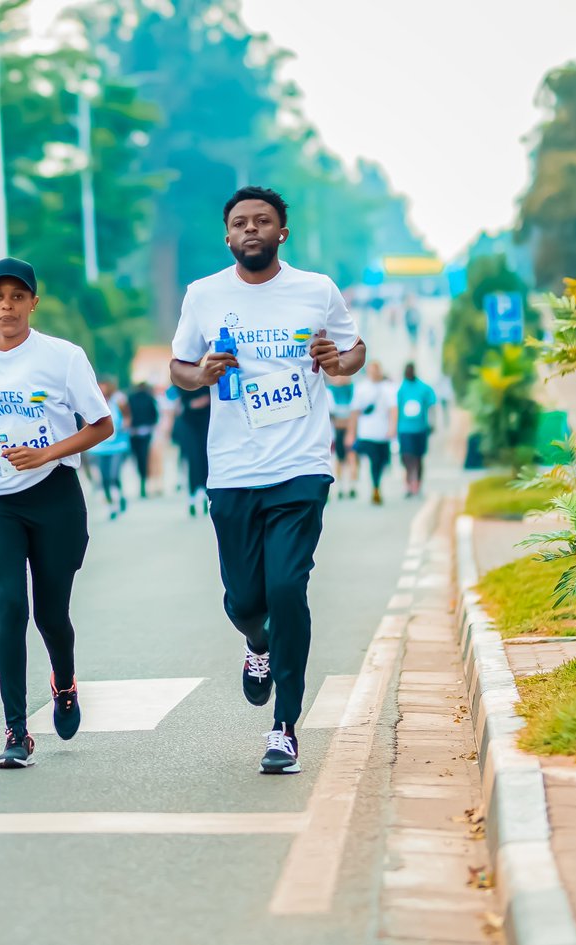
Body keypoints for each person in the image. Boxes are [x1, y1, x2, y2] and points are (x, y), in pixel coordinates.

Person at [169, 185, 365, 774]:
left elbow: (354, 352)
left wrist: (338, 361)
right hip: (231, 469)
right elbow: (179, 369)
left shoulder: (316, 290)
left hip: (301, 464)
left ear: (282, 232)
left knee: (287, 587)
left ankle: (284, 727)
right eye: (240, 223)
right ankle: (256, 644)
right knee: (246, 600)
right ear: (227, 236)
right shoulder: (204, 295)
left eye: (262, 221)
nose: (251, 229)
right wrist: (200, 373)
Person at [0, 258, 113, 768]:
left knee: (51, 613)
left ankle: (63, 681)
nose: (7, 306)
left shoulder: (63, 357)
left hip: (54, 493)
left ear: (33, 302)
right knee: (10, 605)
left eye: (18, 296)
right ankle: (16, 730)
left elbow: (101, 426)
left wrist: (49, 453)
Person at [346, 361, 396, 506]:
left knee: (381, 463)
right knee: (373, 461)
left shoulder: (388, 388)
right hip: (367, 433)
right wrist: (351, 433)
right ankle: (374, 487)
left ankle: (376, 485)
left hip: (382, 433)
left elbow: (393, 409)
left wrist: (392, 428)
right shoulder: (361, 388)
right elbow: (354, 412)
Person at [89, 378, 130, 520]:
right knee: (104, 478)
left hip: (117, 446)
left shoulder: (118, 402)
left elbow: (127, 418)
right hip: (99, 448)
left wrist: (123, 425)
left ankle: (118, 499)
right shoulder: (91, 405)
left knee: (113, 475)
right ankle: (111, 504)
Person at [396, 362, 436, 498]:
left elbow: (431, 406)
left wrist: (432, 423)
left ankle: (417, 484)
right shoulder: (400, 389)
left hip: (420, 429)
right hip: (404, 429)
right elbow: (395, 409)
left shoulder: (423, 388)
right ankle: (408, 484)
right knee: (407, 457)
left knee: (418, 458)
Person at [172, 384, 211, 515]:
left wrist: (206, 399)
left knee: (206, 458)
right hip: (189, 421)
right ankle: (193, 494)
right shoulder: (183, 371)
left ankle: (205, 491)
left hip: (207, 419)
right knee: (193, 458)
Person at [326, 372, 358, 499]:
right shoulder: (330, 390)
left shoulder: (353, 389)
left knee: (352, 456)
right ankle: (340, 486)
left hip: (351, 429)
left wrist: (351, 430)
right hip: (337, 430)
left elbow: (355, 412)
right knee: (339, 459)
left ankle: (352, 486)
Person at [126, 381, 159, 498]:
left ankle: (142, 480)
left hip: (134, 432)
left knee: (138, 458)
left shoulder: (130, 398)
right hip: (145, 432)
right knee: (143, 457)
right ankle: (143, 481)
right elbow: (154, 415)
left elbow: (127, 415)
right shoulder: (149, 398)